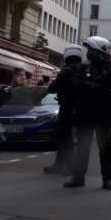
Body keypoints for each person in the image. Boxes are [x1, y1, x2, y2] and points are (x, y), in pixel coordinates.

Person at [63, 36, 111, 190]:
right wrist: (91, 85)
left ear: (101, 52)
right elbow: (74, 84)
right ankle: (78, 176)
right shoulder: (84, 68)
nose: (89, 54)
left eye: (92, 51)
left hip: (103, 113)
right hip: (86, 111)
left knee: (105, 147)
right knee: (82, 145)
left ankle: (108, 178)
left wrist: (105, 65)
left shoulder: (110, 68)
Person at [43, 43, 84, 175]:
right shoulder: (83, 70)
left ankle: (68, 166)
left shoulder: (67, 70)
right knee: (72, 137)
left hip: (67, 106)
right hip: (80, 107)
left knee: (65, 137)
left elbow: (53, 88)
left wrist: (55, 86)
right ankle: (60, 165)